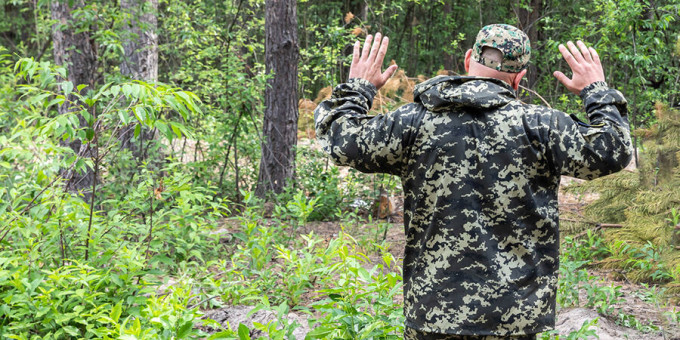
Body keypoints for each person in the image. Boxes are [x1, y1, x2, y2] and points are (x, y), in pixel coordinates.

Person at [314, 24, 632, 339]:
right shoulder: (541, 127)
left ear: (468, 60)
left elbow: (340, 139)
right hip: (512, 318)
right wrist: (596, 90)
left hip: (433, 316)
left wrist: (359, 87)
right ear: (520, 78)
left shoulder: (412, 121)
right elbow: (613, 150)